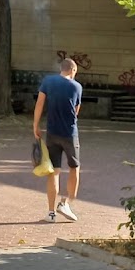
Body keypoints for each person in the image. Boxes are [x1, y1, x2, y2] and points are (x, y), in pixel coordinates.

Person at [33, 57, 82, 223]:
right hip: (70, 133)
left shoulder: (48, 81)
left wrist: (35, 125)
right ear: (73, 70)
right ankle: (65, 202)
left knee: (54, 172)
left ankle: (51, 213)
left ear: (61, 68)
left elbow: (40, 103)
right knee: (74, 168)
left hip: (52, 133)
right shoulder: (77, 87)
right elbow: (76, 111)